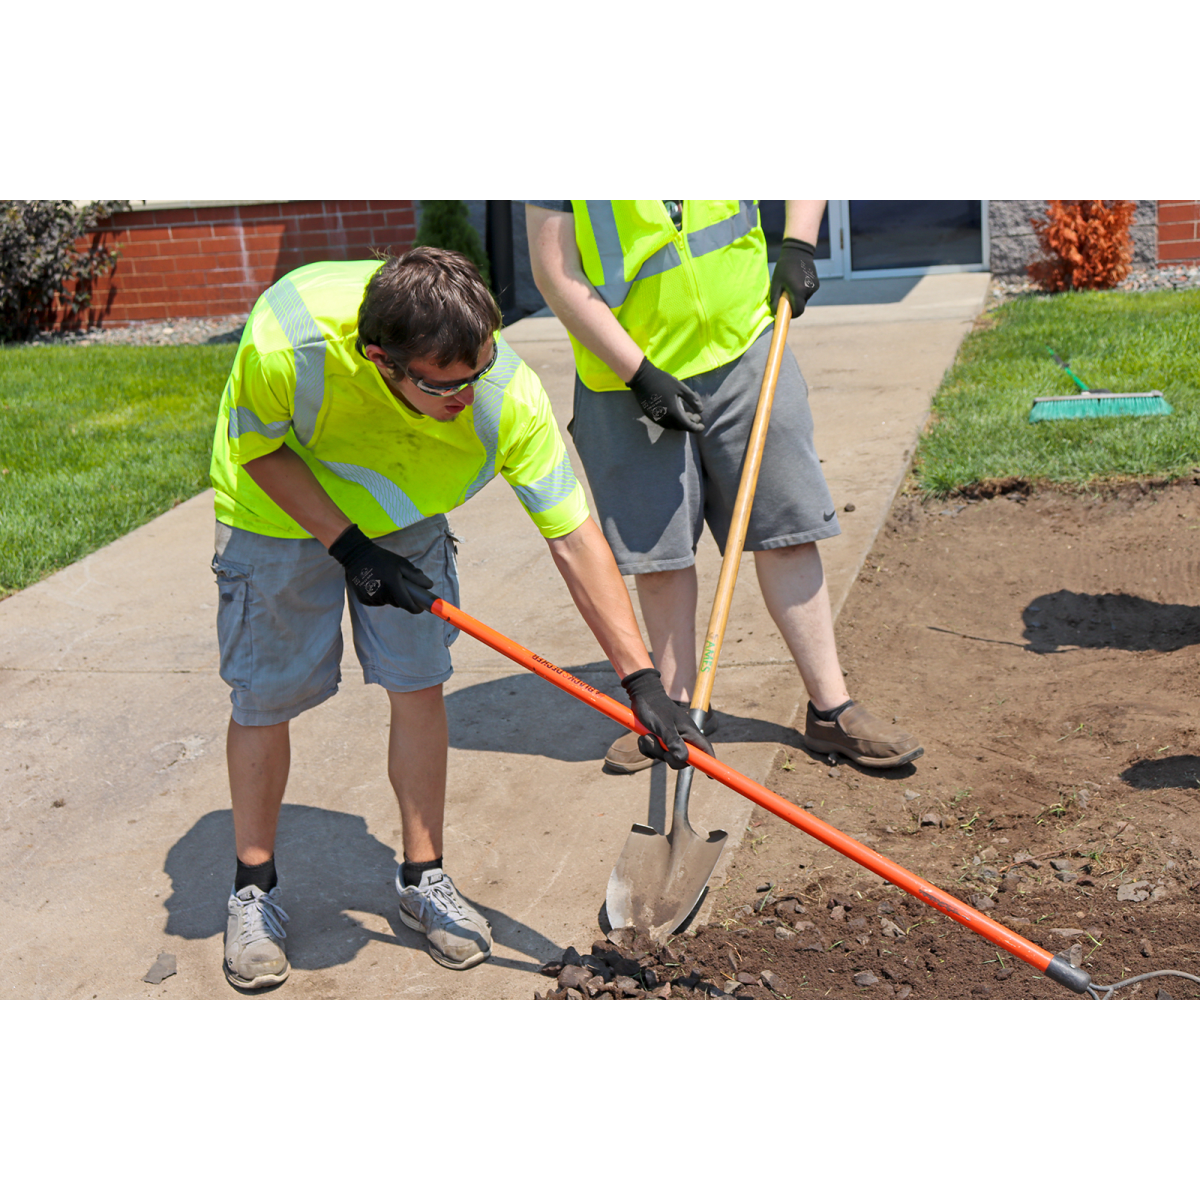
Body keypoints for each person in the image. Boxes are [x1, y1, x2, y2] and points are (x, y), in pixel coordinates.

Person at [209, 247, 711, 990]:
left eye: (480, 369)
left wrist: (641, 679)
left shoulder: (505, 392)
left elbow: (574, 537)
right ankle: (253, 889)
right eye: (446, 384)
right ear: (379, 360)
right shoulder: (288, 345)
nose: (470, 395)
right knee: (265, 696)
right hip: (278, 514)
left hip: (409, 506)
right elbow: (259, 449)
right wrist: (348, 547)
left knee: (419, 683)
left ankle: (424, 878)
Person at [524, 200, 922, 775]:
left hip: (747, 342)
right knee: (660, 556)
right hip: (624, 374)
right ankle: (675, 710)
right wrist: (639, 373)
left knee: (788, 527)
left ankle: (831, 710)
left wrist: (800, 247)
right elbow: (555, 271)